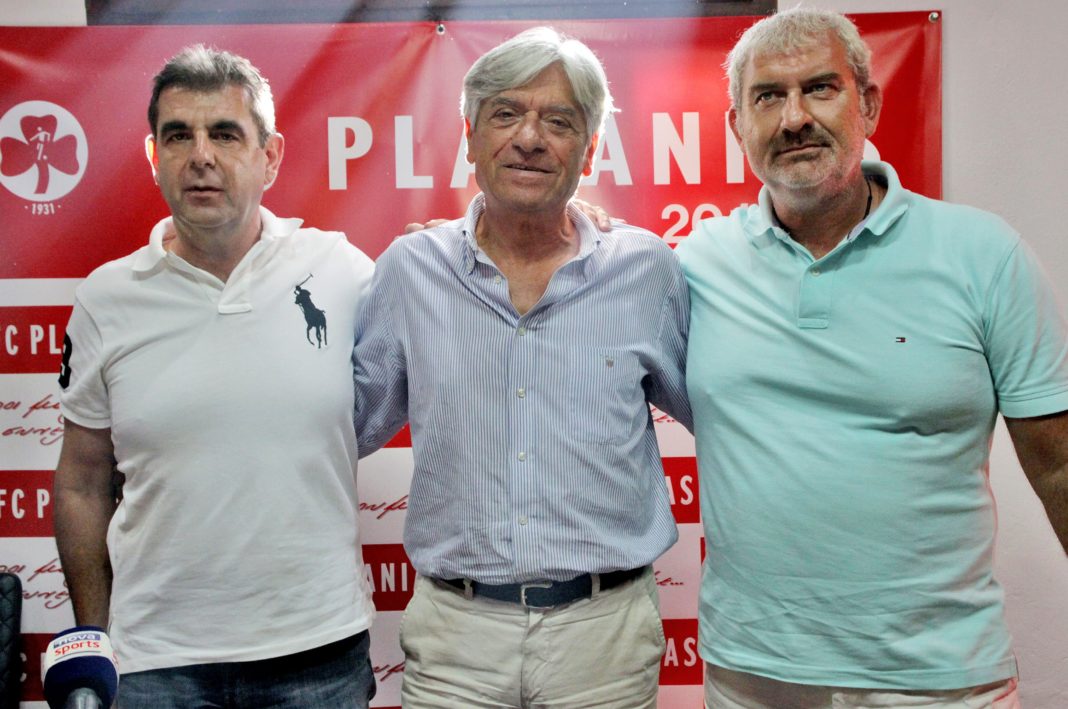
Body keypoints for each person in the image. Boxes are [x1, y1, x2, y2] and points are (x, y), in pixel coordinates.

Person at [676, 9, 1068, 708]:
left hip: (942, 684)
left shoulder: (984, 255)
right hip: (754, 679)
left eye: (820, 88)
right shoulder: (696, 263)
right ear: (737, 126)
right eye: (768, 96)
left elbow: (1060, 464)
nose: (795, 118)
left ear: (870, 105)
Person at [353, 27, 691, 708]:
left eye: (559, 121)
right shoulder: (410, 271)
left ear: (589, 148)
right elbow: (340, 429)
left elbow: (728, 414)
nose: (529, 138)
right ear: (470, 137)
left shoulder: (647, 271)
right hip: (455, 639)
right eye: (506, 114)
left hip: (604, 638)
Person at [52, 45, 377, 707]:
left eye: (225, 134)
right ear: (154, 157)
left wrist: (572, 219)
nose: (200, 155)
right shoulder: (106, 298)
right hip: (154, 664)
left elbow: (445, 293)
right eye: (179, 136)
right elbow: (82, 481)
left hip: (318, 656)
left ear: (270, 156)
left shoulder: (341, 269)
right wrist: (94, 634)